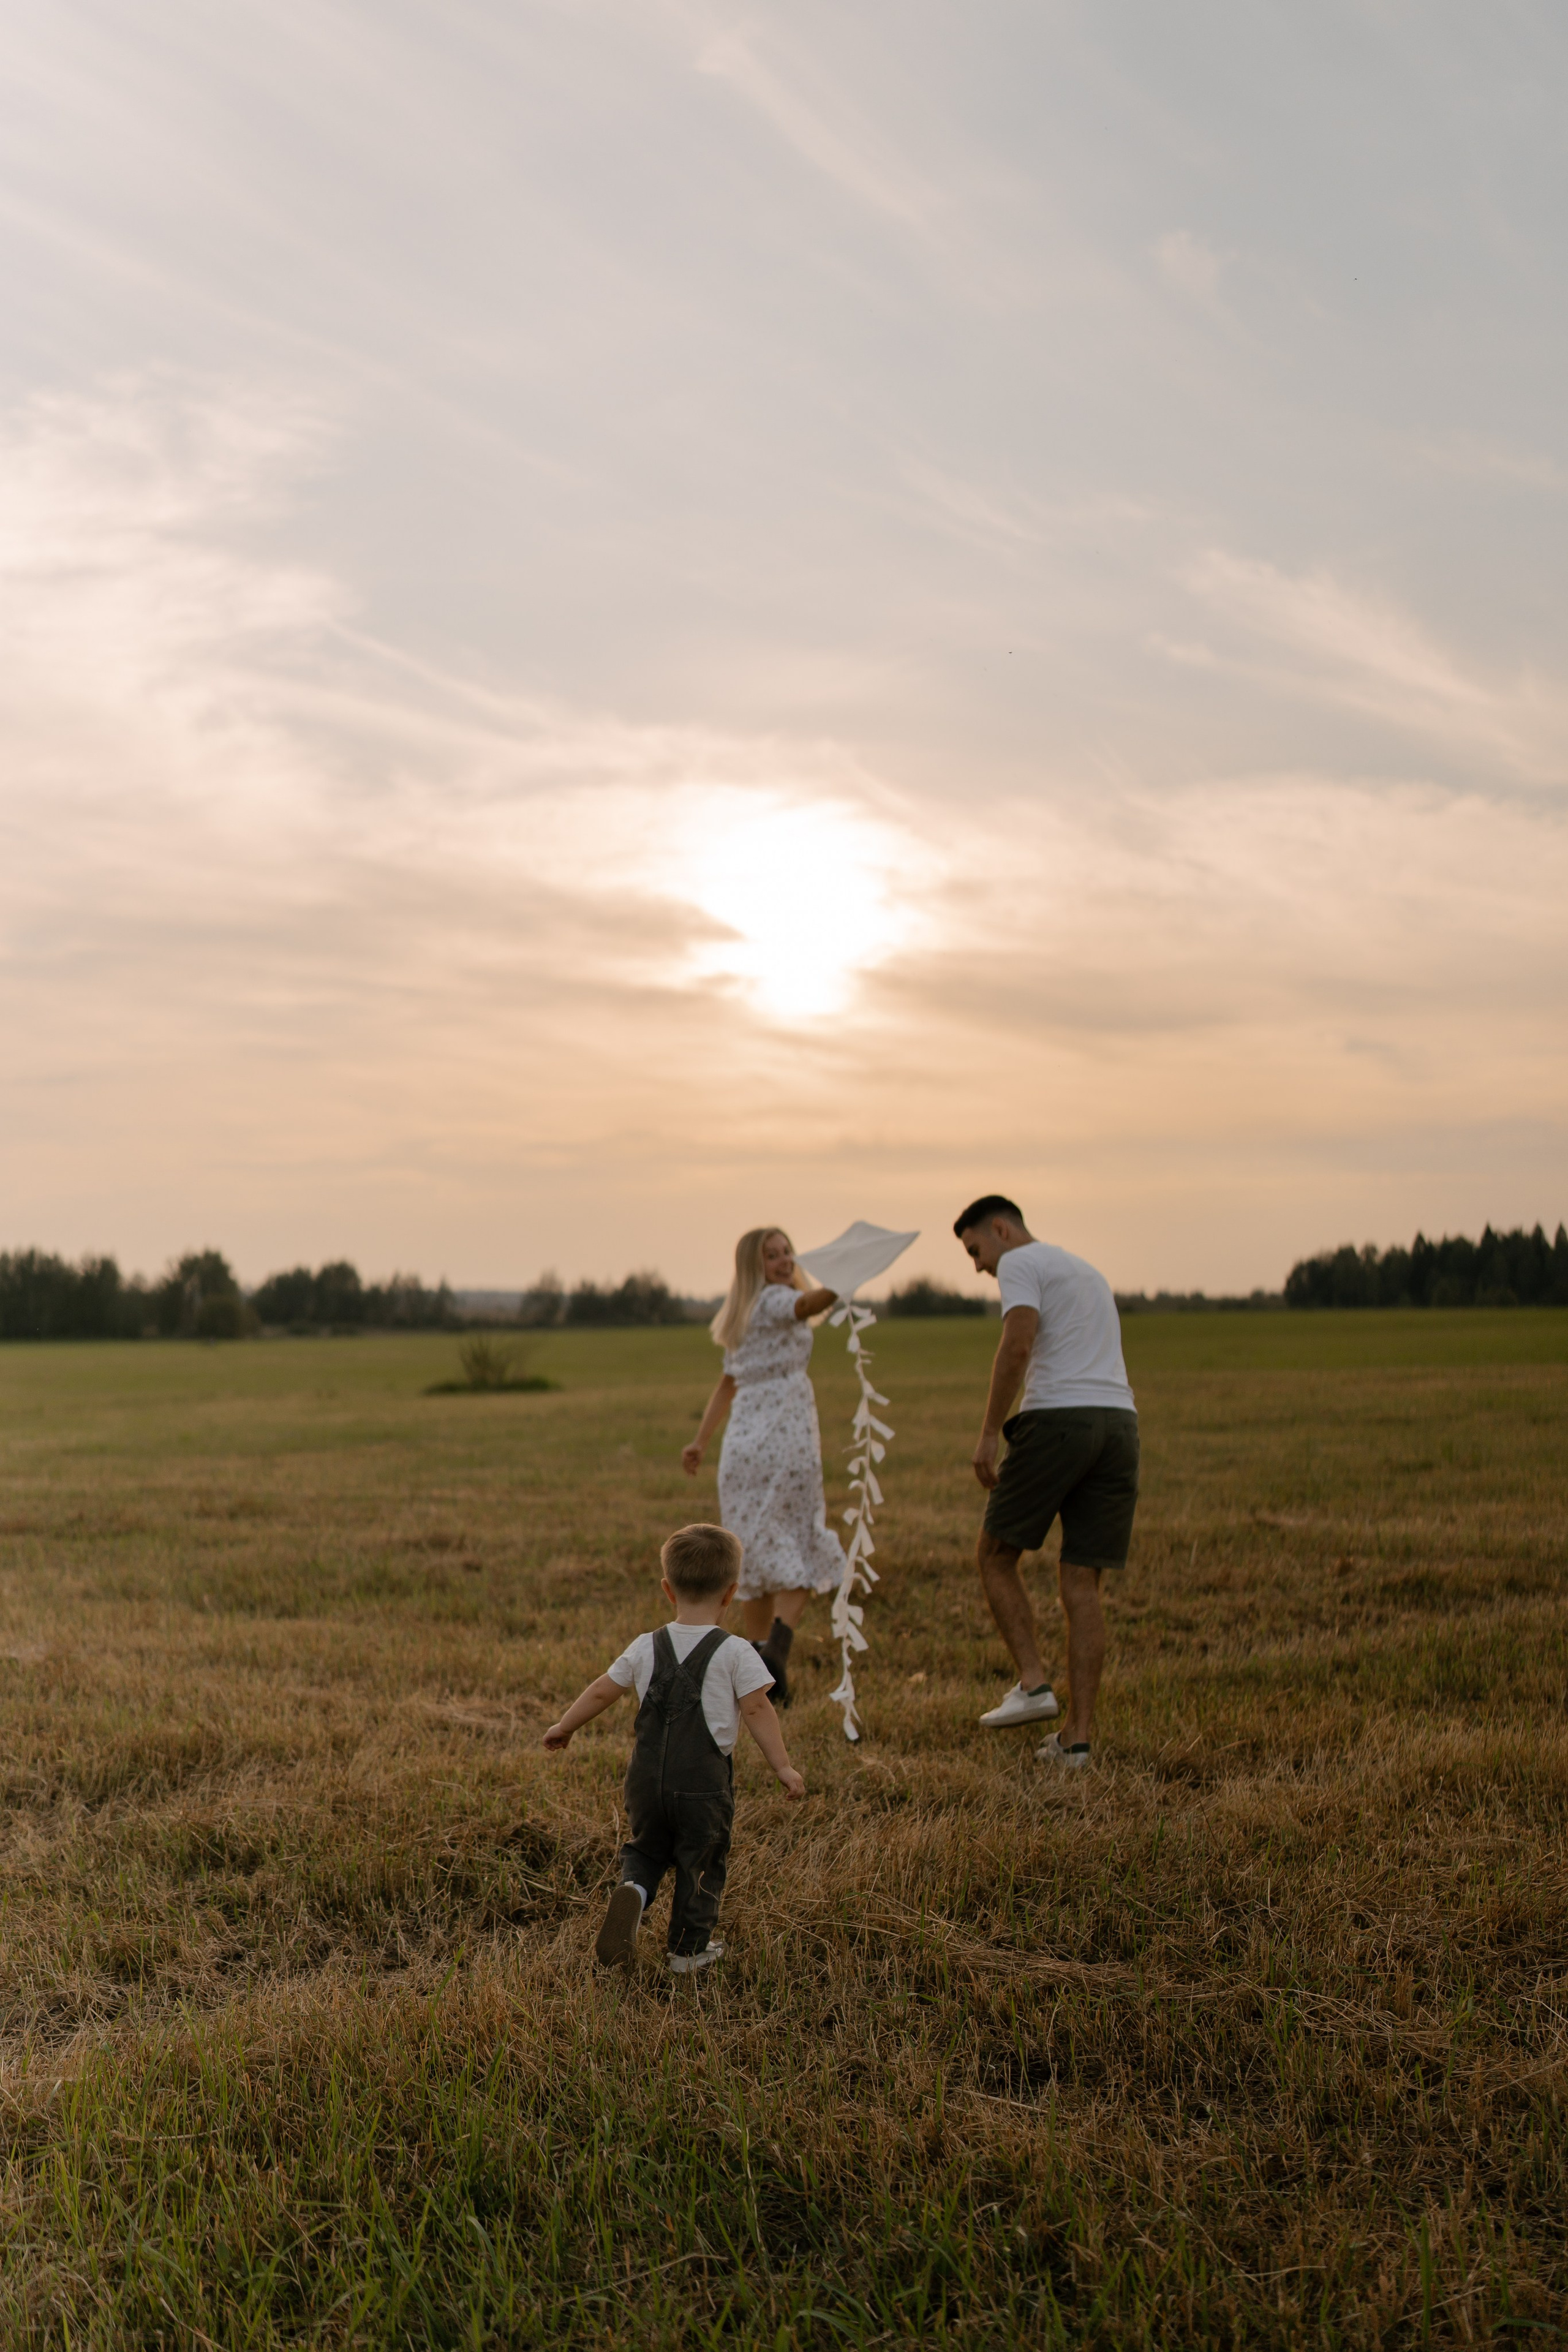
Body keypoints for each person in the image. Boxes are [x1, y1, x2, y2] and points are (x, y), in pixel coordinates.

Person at [543, 1522, 805, 1972]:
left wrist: (565, 1725)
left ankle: (636, 1892)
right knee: (700, 1861)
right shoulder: (737, 1651)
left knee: (647, 1849)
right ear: (731, 1594)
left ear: (668, 1589)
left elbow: (604, 1690)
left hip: (645, 1779)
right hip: (702, 1785)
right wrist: (782, 1766)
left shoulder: (647, 1646)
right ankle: (688, 1952)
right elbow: (760, 1709)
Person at [954, 1195, 1139, 1767]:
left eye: (976, 1249)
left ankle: (1033, 1686)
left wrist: (989, 1433)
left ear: (1002, 1230)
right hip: (1120, 1427)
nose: (979, 1266)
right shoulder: (1086, 1269)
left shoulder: (1020, 1264)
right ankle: (1076, 1741)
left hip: (1060, 1419)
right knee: (1081, 1585)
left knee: (995, 1554)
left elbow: (1018, 1343)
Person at [681, 1227, 843, 1708]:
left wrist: (700, 1442)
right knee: (800, 1538)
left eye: (787, 1252)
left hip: (743, 1447)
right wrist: (844, 1279)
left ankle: (761, 1674)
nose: (784, 1261)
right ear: (755, 1266)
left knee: (752, 1553)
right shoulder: (776, 1300)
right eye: (772, 1255)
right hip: (785, 1437)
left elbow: (726, 1386)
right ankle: (778, 1648)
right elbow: (807, 1306)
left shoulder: (742, 1313)